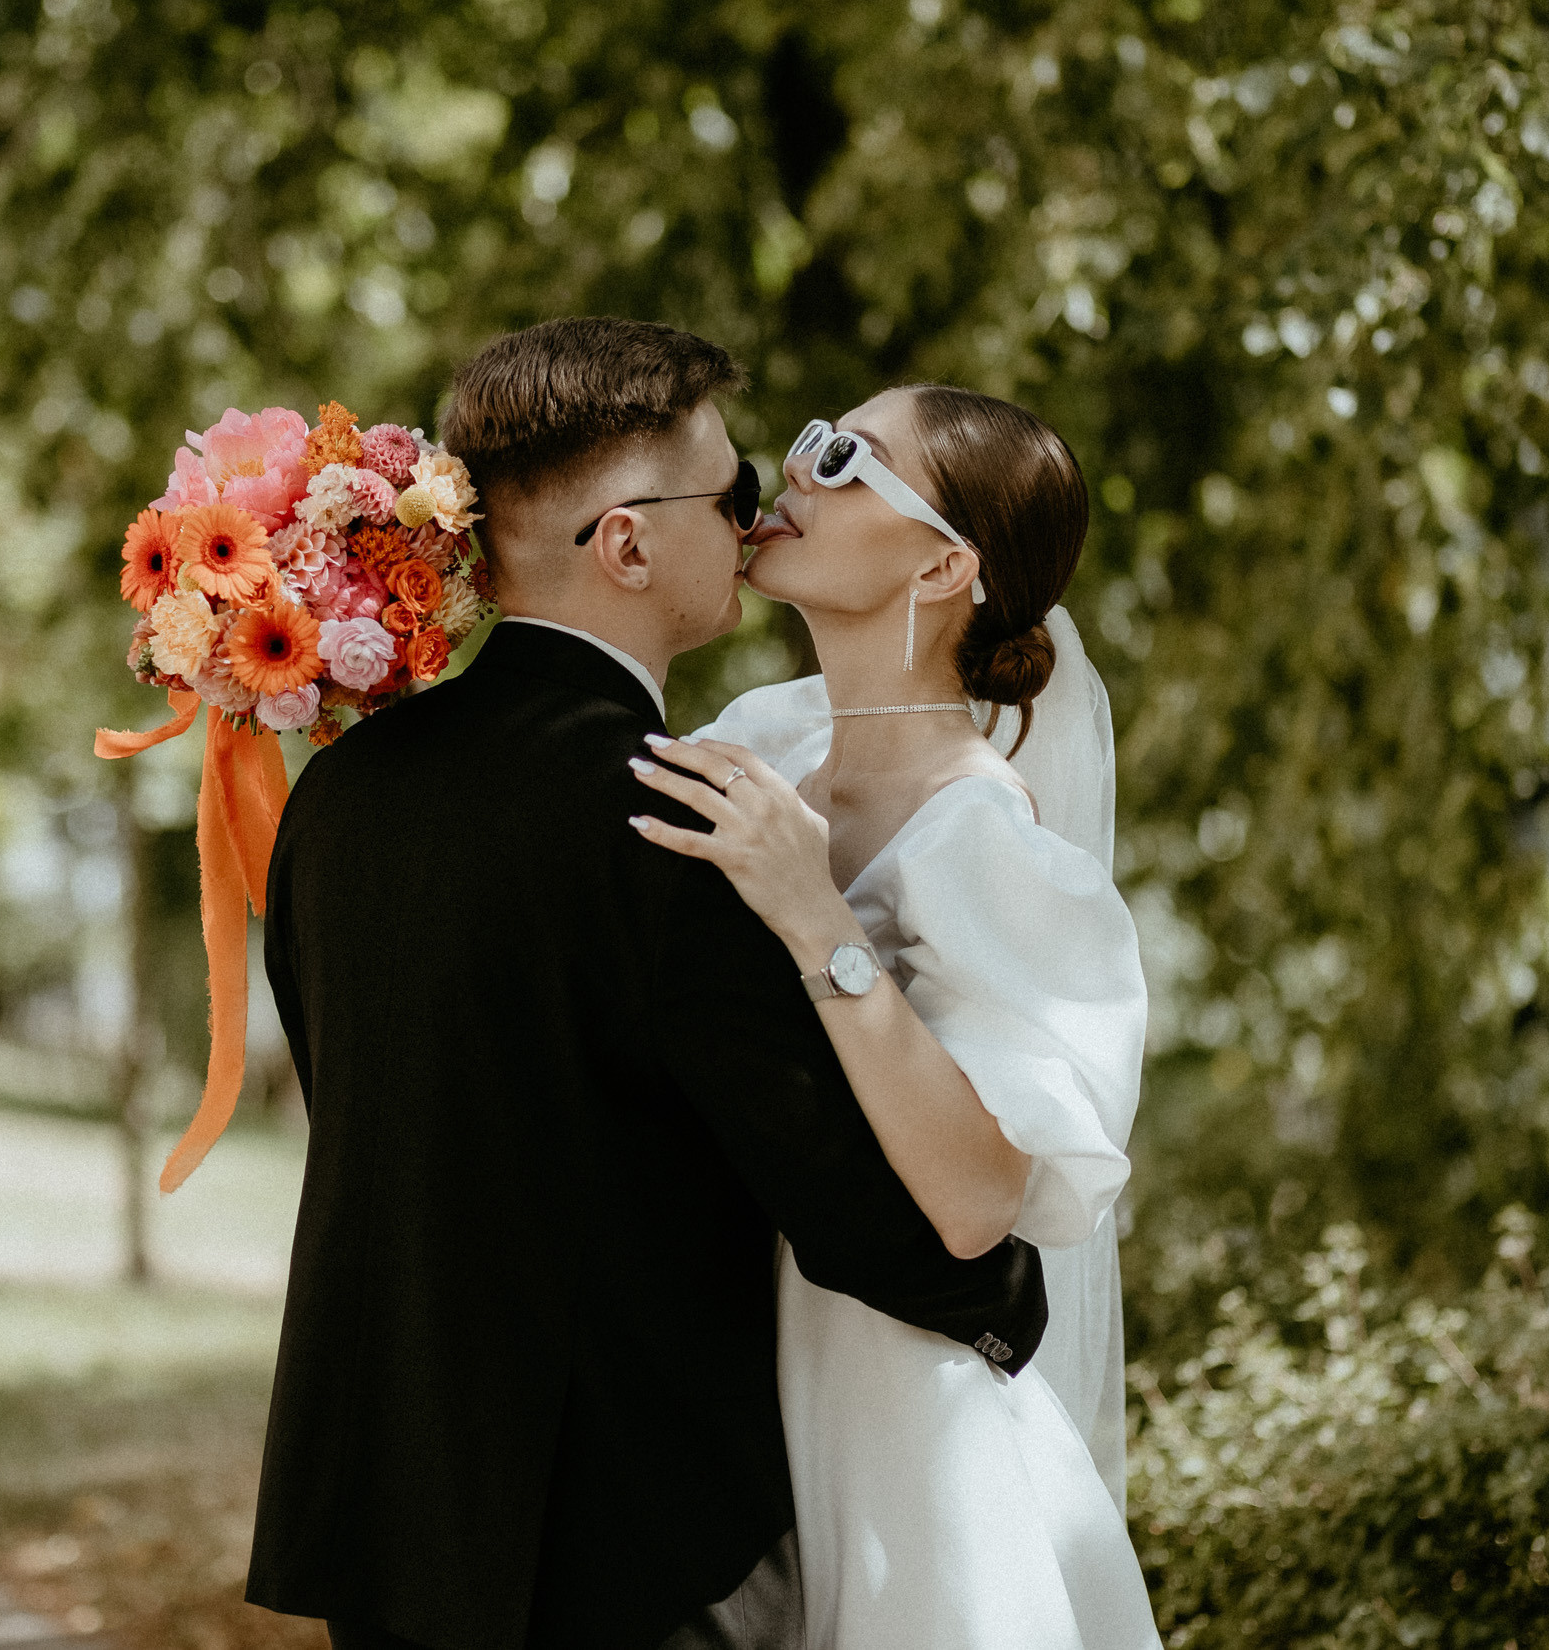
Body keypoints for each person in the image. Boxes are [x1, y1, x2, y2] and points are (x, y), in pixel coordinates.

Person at [245, 320, 1051, 1650]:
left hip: (388, 1518)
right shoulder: (676, 818)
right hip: (620, 1540)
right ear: (626, 542)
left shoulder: (339, 795)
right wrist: (1013, 1298)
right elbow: (839, 1192)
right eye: (729, 495)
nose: (751, 520)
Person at [634, 385, 1160, 1648]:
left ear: (942, 561)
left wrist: (818, 919)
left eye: (844, 460)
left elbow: (979, 1197)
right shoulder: (757, 734)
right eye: (810, 438)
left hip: (899, 1416)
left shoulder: (990, 841)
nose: (791, 475)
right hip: (721, 1373)